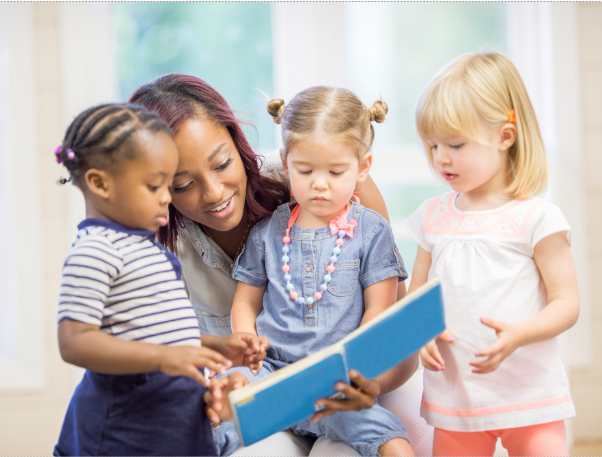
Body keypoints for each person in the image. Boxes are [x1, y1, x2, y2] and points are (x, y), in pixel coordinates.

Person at [129, 75, 431, 456]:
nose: (214, 193)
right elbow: (234, 318)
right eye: (183, 184)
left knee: (373, 441)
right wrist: (237, 366)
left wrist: (359, 374)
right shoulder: (251, 236)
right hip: (270, 377)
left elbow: (392, 326)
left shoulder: (352, 209)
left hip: (348, 382)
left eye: (222, 163)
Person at [52, 103, 267, 456]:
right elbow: (74, 342)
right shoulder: (95, 250)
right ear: (99, 183)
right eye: (156, 186)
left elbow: (159, 335)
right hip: (121, 436)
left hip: (176, 430)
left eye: (170, 185)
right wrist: (163, 359)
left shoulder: (147, 248)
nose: (167, 198)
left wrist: (214, 346)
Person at [222, 86, 414, 456]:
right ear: (285, 161)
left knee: (390, 440)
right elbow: (245, 304)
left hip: (335, 382)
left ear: (363, 168)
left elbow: (381, 309)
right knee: (218, 416)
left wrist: (361, 368)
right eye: (305, 170)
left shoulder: (372, 232)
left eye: (336, 171)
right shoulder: (267, 232)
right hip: (272, 375)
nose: (319, 183)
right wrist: (248, 348)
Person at [406, 51, 580, 456]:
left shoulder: (537, 218)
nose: (440, 158)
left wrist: (520, 334)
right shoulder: (432, 217)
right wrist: (419, 331)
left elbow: (567, 303)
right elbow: (416, 297)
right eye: (432, 145)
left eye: (455, 143)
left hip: (531, 395)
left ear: (505, 136)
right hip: (457, 399)